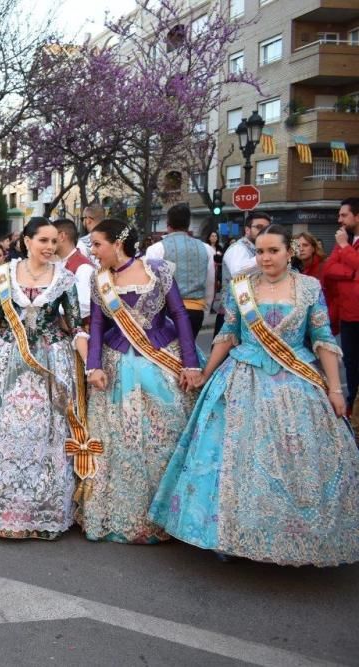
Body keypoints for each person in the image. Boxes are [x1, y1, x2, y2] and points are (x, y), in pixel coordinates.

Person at [150, 225, 359, 566]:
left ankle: (293, 537)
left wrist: (335, 389)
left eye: (273, 251)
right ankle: (231, 533)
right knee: (233, 457)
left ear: (288, 252)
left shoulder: (309, 288)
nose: (266, 258)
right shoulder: (240, 287)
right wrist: (206, 372)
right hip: (242, 378)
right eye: (260, 251)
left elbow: (322, 339)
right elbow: (228, 334)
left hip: (296, 381)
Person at [0, 218, 88, 539]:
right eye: (44, 240)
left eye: (55, 241)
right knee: (2, 428)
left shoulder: (65, 279)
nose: (50, 247)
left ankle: (35, 511)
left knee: (43, 435)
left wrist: (89, 367)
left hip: (51, 363)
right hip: (7, 361)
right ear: (27, 241)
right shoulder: (5, 274)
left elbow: (77, 327)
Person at [82, 219, 203, 544]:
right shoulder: (100, 279)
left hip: (160, 359)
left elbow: (179, 315)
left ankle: (165, 516)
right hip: (116, 364)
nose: (93, 252)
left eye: (96, 244)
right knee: (120, 443)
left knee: (162, 438)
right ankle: (123, 517)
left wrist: (190, 363)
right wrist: (92, 366)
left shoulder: (158, 270)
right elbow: (95, 325)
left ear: (117, 243)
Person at [143, 204, 215, 337]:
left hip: (167, 312)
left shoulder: (156, 249)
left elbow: (150, 286)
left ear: (168, 224)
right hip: (195, 310)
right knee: (190, 352)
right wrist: (205, 310)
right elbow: (210, 283)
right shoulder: (206, 249)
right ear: (188, 224)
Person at [325, 198, 359, 407]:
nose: (340, 220)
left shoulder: (344, 242)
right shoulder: (345, 242)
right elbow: (328, 270)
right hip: (347, 316)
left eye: (344, 215)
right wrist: (353, 273)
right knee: (351, 364)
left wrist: (345, 247)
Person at [216, 211, 270, 336]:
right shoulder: (239, 248)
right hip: (232, 312)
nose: (264, 232)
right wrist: (266, 257)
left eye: (267, 228)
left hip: (252, 311)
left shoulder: (257, 249)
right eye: (259, 227)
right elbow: (237, 271)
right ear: (247, 230)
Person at [53, 219, 95, 323]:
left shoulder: (83, 267)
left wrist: (51, 309)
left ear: (61, 236)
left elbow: (84, 305)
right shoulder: (59, 263)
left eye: (50, 238)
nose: (47, 243)